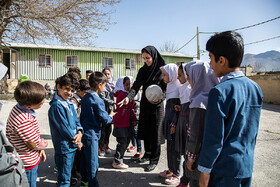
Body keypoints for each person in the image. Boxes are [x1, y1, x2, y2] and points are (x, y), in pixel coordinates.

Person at [198, 31, 263, 187]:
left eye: (211, 58)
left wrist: (204, 171)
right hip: (246, 166)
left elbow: (213, 139)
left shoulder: (219, 92)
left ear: (221, 60)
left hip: (223, 171)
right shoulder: (255, 88)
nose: (210, 64)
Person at [118, 45, 166, 172]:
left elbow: (167, 88)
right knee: (145, 129)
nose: (146, 61)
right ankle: (147, 153)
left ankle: (154, 160)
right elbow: (136, 86)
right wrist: (128, 98)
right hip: (146, 103)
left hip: (157, 105)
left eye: (148, 58)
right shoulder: (143, 70)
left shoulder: (162, 70)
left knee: (155, 132)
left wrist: (160, 98)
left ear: (154, 56)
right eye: (144, 58)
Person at [184, 60, 220, 187]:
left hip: (200, 158)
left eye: (189, 76)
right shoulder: (216, 95)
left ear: (197, 76)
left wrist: (191, 158)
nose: (188, 79)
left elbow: (196, 135)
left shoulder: (199, 100)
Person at [6, 81, 48, 187]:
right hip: (27, 161)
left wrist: (39, 149)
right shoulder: (24, 119)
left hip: (24, 156)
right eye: (40, 102)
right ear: (29, 106)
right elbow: (33, 143)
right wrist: (43, 144)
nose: (43, 101)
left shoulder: (19, 108)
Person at [80, 72, 115, 186]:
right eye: (104, 85)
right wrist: (111, 115)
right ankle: (93, 184)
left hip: (84, 133)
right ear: (100, 85)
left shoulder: (85, 97)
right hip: (92, 135)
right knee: (93, 163)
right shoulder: (97, 100)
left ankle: (84, 181)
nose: (104, 88)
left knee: (84, 160)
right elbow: (105, 119)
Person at [48, 72, 83, 186]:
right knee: (64, 178)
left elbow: (76, 121)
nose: (69, 93)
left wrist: (80, 132)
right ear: (58, 87)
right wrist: (77, 141)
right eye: (67, 89)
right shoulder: (57, 106)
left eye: (72, 91)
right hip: (65, 147)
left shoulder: (69, 103)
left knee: (67, 174)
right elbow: (64, 129)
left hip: (71, 145)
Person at [159, 63, 181, 185]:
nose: (163, 77)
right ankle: (171, 169)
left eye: (165, 75)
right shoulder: (170, 87)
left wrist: (174, 123)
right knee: (170, 148)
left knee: (175, 149)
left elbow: (178, 109)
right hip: (169, 121)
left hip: (174, 124)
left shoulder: (178, 88)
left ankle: (177, 173)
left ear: (172, 75)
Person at [112, 76, 137, 169]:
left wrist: (134, 119)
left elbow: (131, 109)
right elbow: (129, 106)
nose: (128, 86)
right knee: (122, 141)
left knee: (126, 141)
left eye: (130, 84)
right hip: (121, 122)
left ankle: (119, 157)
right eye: (126, 85)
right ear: (121, 85)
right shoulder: (122, 95)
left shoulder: (128, 95)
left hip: (127, 122)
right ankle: (117, 161)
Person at [70, 79, 90, 185]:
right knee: (76, 153)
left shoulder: (82, 99)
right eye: (85, 92)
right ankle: (73, 173)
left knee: (80, 153)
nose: (86, 94)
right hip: (75, 131)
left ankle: (77, 171)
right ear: (78, 90)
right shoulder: (74, 101)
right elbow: (74, 117)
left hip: (80, 129)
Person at [175, 64, 192, 187]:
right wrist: (181, 108)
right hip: (183, 122)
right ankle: (185, 179)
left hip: (188, 126)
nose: (178, 77)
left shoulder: (190, 89)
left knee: (188, 154)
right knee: (186, 154)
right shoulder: (184, 88)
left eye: (180, 75)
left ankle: (185, 180)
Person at [99, 67, 115, 156]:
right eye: (105, 74)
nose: (107, 76)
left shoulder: (113, 85)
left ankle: (106, 145)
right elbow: (102, 97)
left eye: (108, 74)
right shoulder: (102, 85)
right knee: (103, 128)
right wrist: (112, 101)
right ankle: (100, 146)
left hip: (110, 109)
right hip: (103, 108)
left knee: (109, 128)